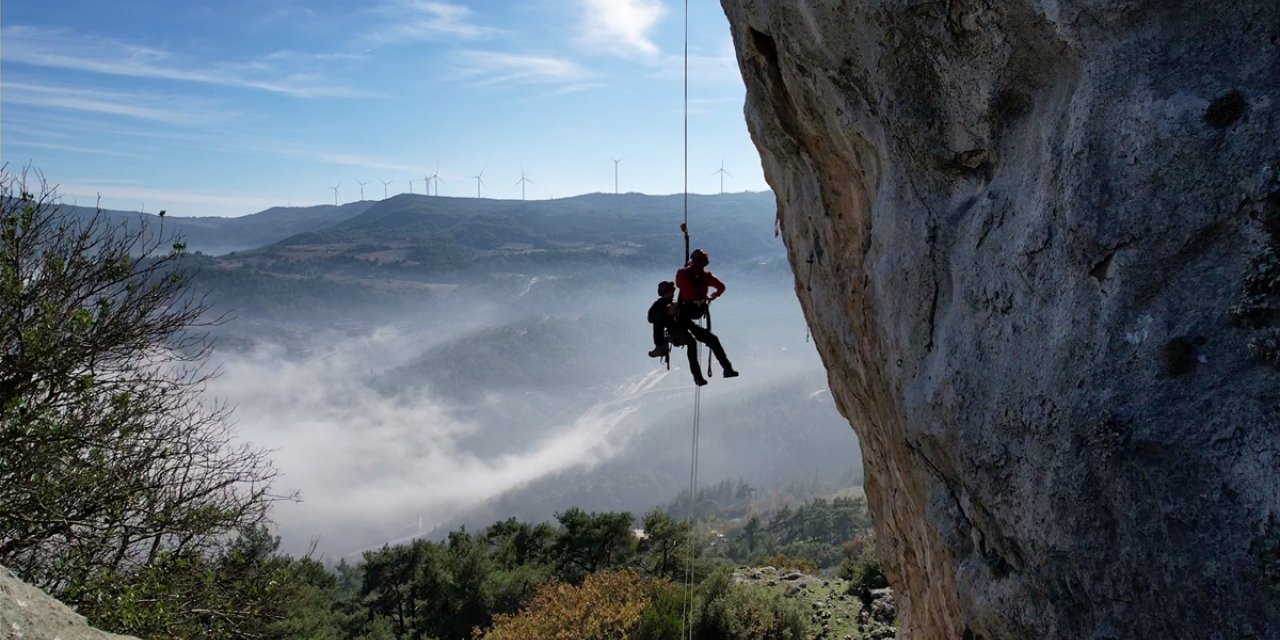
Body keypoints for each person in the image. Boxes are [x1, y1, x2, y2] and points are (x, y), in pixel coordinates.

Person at [672, 248, 739, 386]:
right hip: (685, 317)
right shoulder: (704, 276)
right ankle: (703, 375)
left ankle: (726, 369)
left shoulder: (684, 274)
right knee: (694, 342)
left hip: (685, 315)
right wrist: (710, 297)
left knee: (710, 340)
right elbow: (720, 287)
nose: (699, 266)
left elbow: (683, 286)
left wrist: (708, 295)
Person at [647, 280, 678, 358]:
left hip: (675, 328)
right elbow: (651, 318)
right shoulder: (659, 304)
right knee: (657, 322)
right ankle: (659, 346)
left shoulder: (674, 303)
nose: (673, 293)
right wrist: (666, 313)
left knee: (658, 322)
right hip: (671, 328)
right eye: (670, 291)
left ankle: (659, 346)